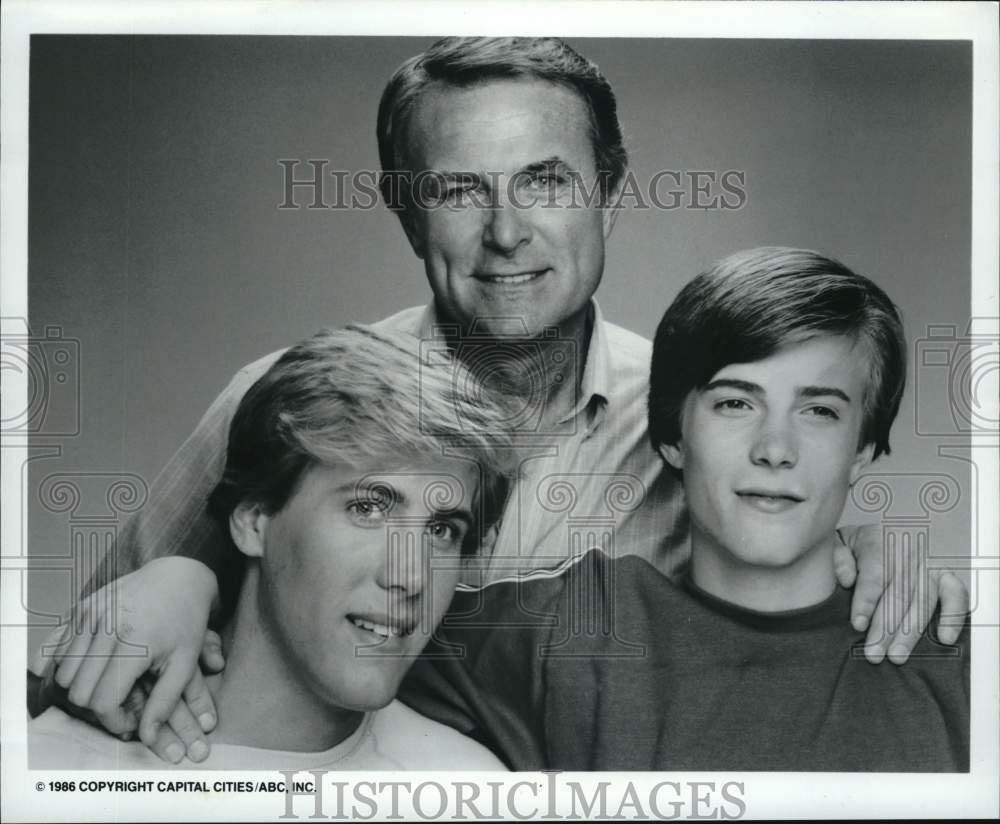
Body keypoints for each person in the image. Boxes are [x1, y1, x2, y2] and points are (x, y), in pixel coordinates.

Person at [31, 38, 967, 763]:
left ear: (609, 193)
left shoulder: (691, 417)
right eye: (459, 190)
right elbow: (83, 682)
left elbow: (773, 587)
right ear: (407, 210)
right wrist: (183, 573)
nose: (507, 233)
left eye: (546, 181)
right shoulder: (285, 402)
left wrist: (866, 555)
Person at [394, 248, 970, 770]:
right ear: (673, 435)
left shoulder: (957, 660)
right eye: (736, 402)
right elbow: (328, 655)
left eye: (820, 411)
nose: (775, 449)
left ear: (864, 446)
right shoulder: (569, 628)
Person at [30, 326, 514, 770]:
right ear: (254, 520)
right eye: (368, 509)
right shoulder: (51, 770)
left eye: (442, 530)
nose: (411, 577)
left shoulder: (469, 786)